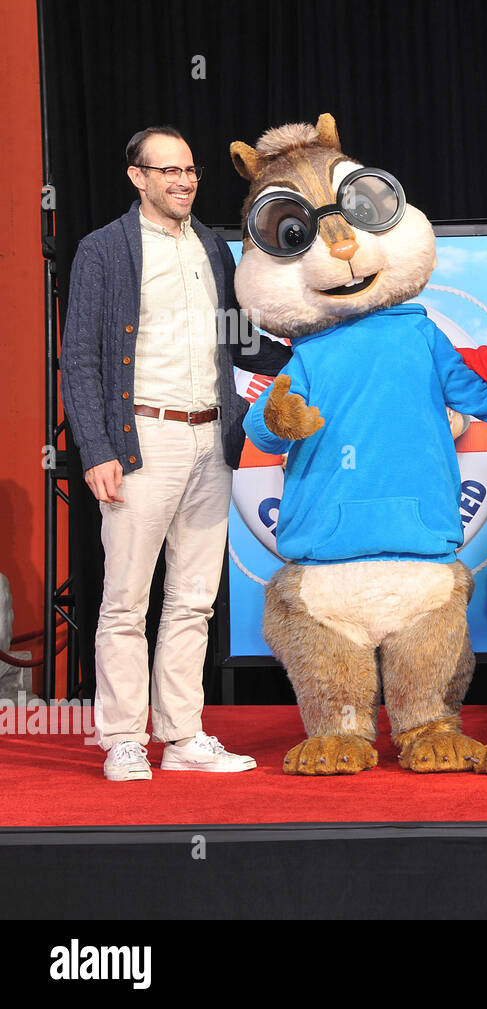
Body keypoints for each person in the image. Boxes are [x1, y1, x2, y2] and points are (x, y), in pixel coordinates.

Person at [61, 125, 291, 781]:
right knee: (127, 600)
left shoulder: (212, 247)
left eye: (190, 171)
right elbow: (78, 360)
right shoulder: (103, 251)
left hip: (211, 436)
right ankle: (124, 737)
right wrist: (96, 447)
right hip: (141, 439)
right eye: (170, 171)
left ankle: (184, 734)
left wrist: (311, 355)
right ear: (137, 176)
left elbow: (239, 341)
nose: (184, 181)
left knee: (193, 598)